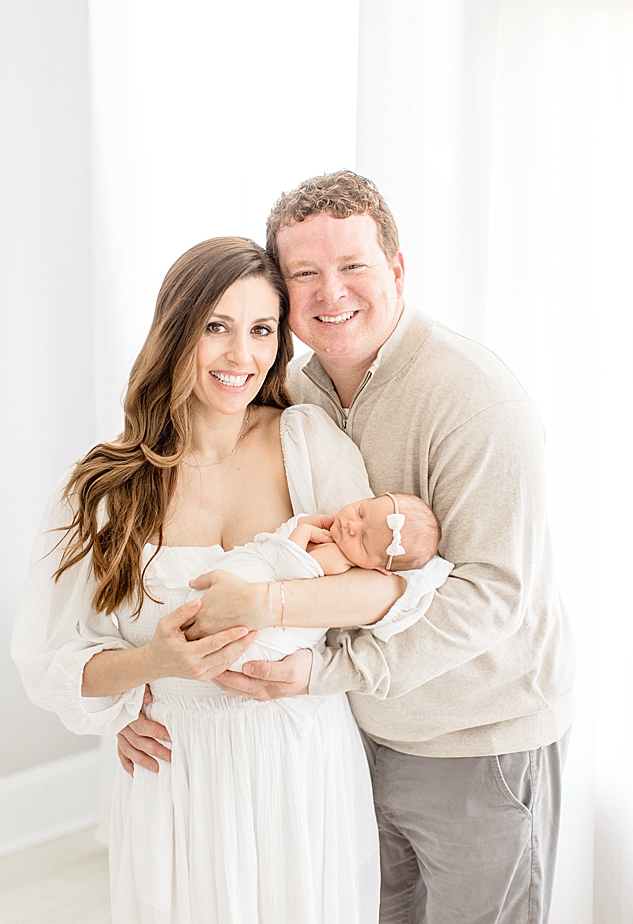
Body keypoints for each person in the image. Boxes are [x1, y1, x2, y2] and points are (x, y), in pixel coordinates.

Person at [117, 172, 576, 924]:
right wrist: (139, 689)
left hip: (474, 741)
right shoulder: (296, 394)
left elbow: (494, 595)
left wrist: (326, 670)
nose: (332, 294)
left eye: (353, 266)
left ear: (396, 270)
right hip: (355, 738)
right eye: (305, 274)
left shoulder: (473, 399)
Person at [12, 237, 436, 923]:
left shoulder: (305, 441)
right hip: (176, 775)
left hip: (301, 762)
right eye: (218, 327)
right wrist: (152, 664)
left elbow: (389, 589)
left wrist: (266, 604)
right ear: (177, 329)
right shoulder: (105, 487)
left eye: (262, 329)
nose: (243, 356)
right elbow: (51, 662)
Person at [211, 491, 448, 672]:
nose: (352, 526)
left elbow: (289, 570)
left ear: (377, 568)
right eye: (361, 512)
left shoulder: (337, 559)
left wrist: (304, 532)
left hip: (273, 639)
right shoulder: (337, 540)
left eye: (364, 540)